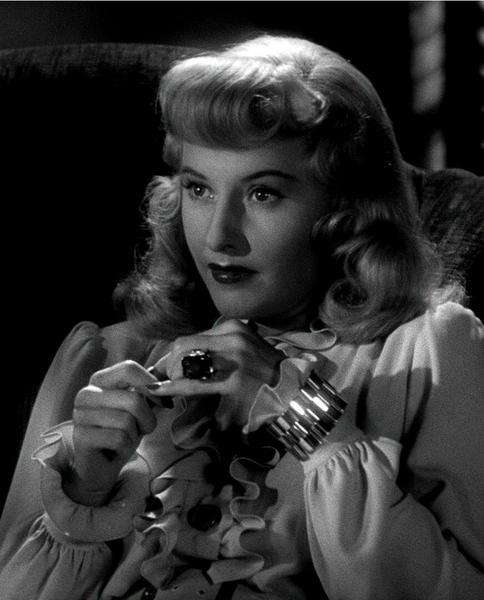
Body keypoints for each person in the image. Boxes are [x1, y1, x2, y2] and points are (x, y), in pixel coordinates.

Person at [0, 34, 483, 600]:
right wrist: (84, 492)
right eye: (199, 188)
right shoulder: (107, 357)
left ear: (345, 210)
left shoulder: (428, 355)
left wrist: (307, 417)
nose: (220, 236)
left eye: (262, 194)